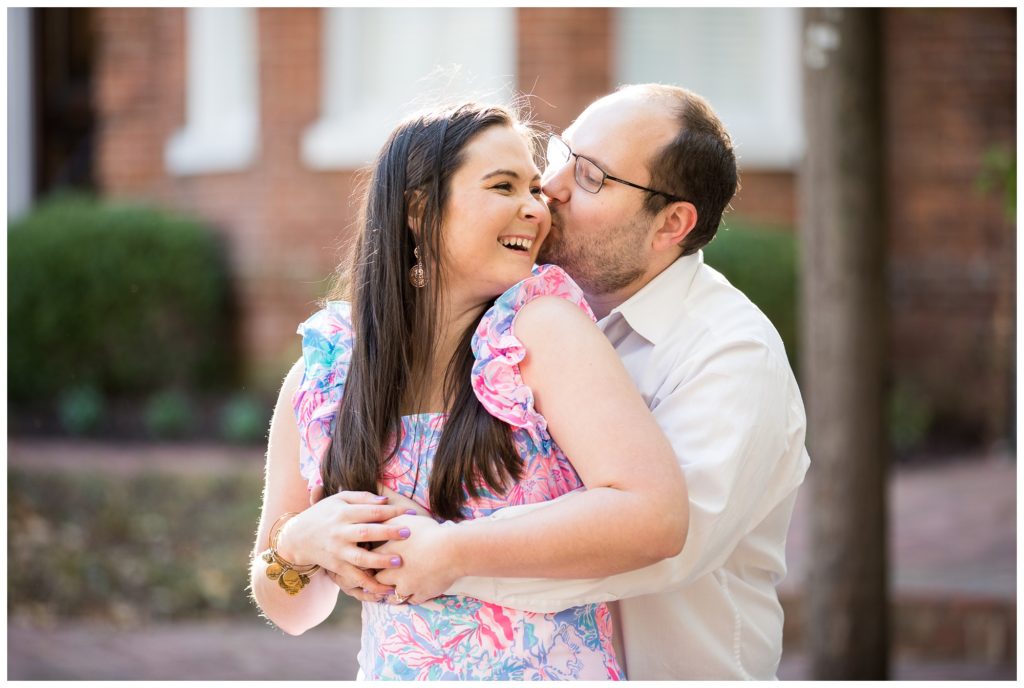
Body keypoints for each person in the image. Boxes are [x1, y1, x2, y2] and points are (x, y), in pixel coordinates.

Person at [363, 84, 811, 680]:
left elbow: (656, 548)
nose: (550, 188)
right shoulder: (510, 319)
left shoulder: (731, 354)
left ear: (671, 224)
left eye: (593, 176)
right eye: (561, 155)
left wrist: (438, 555)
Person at [249, 101, 690, 680]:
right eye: (503, 186)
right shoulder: (327, 373)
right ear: (419, 208)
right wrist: (299, 543)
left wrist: (452, 551)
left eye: (534, 188)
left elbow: (655, 515)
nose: (535, 208)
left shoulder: (542, 329)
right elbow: (295, 612)